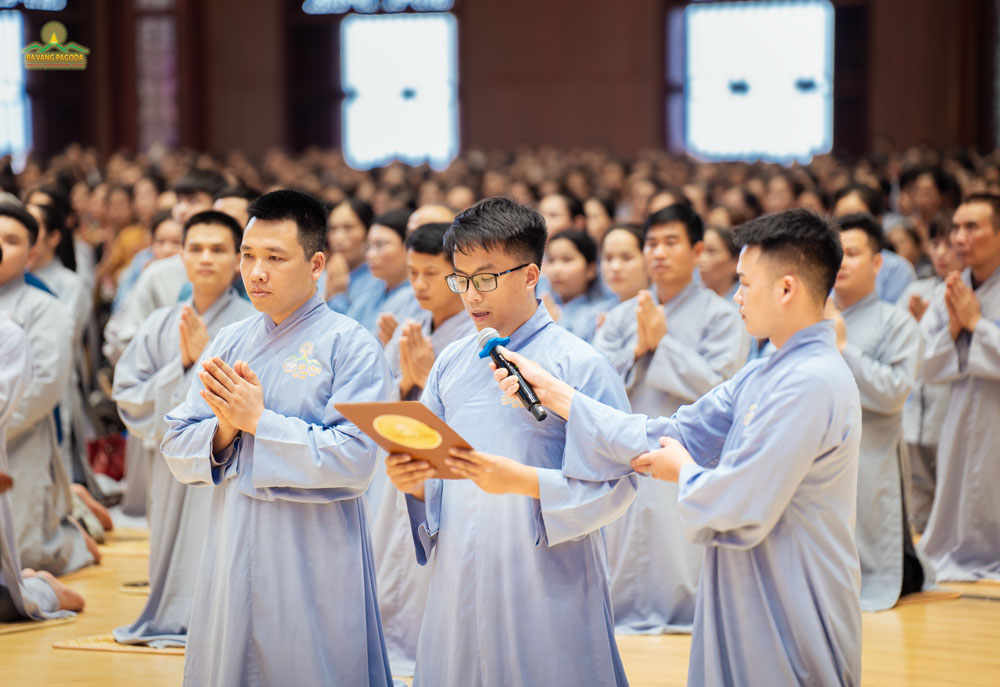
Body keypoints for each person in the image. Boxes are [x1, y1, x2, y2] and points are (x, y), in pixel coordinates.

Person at [495, 208, 863, 687]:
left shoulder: (811, 381)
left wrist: (682, 471)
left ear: (787, 289)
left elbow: (741, 505)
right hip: (745, 577)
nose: (737, 297)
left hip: (796, 585)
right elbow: (672, 430)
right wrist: (562, 397)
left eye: (746, 284)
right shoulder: (764, 371)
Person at [385, 197, 637, 687]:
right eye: (460, 279)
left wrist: (526, 483)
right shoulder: (450, 363)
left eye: (486, 278)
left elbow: (616, 483)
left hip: (543, 570)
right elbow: (431, 472)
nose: (471, 296)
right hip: (458, 568)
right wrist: (412, 483)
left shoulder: (579, 364)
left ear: (529, 274)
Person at [160, 190, 396, 686]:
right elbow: (175, 442)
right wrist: (224, 429)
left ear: (315, 264)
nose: (256, 272)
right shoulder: (230, 339)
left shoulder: (350, 345)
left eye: (274, 257)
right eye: (248, 256)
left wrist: (259, 422)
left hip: (312, 553)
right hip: (232, 541)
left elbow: (356, 461)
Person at [591, 203, 748, 635]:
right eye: (652, 243)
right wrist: (639, 350)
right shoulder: (622, 316)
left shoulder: (723, 315)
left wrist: (664, 346)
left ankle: (691, 611)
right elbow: (595, 386)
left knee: (680, 544)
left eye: (671, 242)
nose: (658, 253)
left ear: (697, 251)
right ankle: (621, 609)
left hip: (690, 452)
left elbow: (724, 387)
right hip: (628, 447)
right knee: (625, 541)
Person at [111, 211, 255, 648]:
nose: (206, 258)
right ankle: (171, 612)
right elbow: (128, 393)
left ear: (237, 260)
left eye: (218, 249)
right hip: (171, 463)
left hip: (228, 463)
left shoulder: (253, 323)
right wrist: (186, 365)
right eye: (196, 248)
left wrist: (198, 368)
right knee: (173, 542)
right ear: (181, 256)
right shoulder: (160, 322)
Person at [373, 221, 475, 675]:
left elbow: (482, 419)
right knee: (392, 562)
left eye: (430, 273)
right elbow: (375, 406)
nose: (418, 284)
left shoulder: (476, 334)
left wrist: (433, 376)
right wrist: (407, 381)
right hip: (398, 471)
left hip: (448, 476)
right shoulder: (406, 332)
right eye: (413, 272)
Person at [829, 213, 929, 610]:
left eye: (852, 253)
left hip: (871, 455)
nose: (841, 262)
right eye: (835, 253)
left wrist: (842, 348)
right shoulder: (807, 318)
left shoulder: (897, 323)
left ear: (876, 263)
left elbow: (893, 392)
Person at [0, 202, 97, 574]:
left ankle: (75, 540)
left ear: (32, 252)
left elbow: (46, 383)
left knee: (24, 558)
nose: (2, 247)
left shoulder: (44, 307)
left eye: (12, 240)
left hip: (21, 439)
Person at [918, 193, 1000, 581]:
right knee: (960, 490)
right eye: (956, 227)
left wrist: (976, 325)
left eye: (973, 227)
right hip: (960, 411)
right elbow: (926, 366)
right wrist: (954, 326)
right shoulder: (946, 291)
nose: (959, 237)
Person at [0, 312, 84, 621]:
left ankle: (40, 588)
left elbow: (42, 387)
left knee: (7, 604)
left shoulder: (7, 334)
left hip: (24, 453)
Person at [896, 219, 963, 532]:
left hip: (949, 410)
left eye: (949, 245)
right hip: (914, 410)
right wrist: (917, 324)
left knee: (955, 495)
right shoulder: (917, 290)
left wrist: (928, 326)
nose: (941, 253)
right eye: (935, 244)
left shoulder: (966, 292)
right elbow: (898, 344)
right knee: (917, 495)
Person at [833, 184, 916, 303]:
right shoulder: (826, 263)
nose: (848, 225)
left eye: (857, 217)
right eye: (840, 219)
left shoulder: (897, 268)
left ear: (877, 220)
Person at [542, 229, 616, 343]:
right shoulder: (542, 303)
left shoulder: (601, 311)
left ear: (591, 270)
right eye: (551, 261)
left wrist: (555, 323)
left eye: (567, 260)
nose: (556, 269)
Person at [368, 209, 423, 345]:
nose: (371, 254)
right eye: (368, 246)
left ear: (409, 246)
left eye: (380, 245)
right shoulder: (374, 287)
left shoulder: (417, 295)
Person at [324, 198, 381, 324]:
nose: (338, 238)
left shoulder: (378, 280)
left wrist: (338, 295)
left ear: (368, 231)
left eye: (348, 228)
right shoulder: (319, 276)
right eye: (333, 229)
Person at [600, 223, 649, 304]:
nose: (615, 267)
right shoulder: (599, 312)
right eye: (608, 259)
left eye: (626, 258)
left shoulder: (661, 311)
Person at [698, 225, 740, 303]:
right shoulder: (691, 296)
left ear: (736, 261)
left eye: (711, 251)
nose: (701, 259)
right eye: (699, 251)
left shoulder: (744, 303)